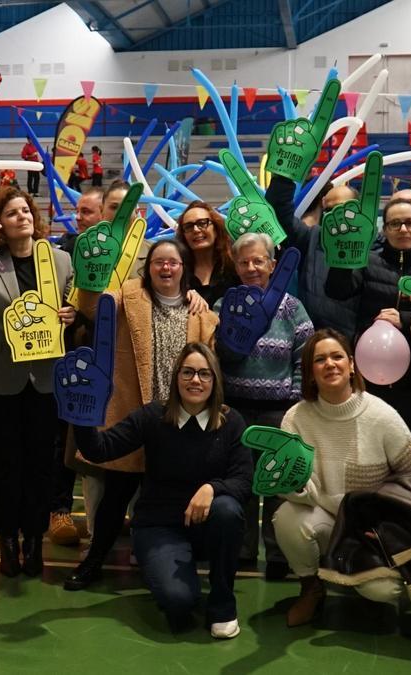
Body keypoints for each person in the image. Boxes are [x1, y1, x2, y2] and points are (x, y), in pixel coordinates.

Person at [67, 239, 218, 590]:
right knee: (115, 496)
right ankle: (93, 561)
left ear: (184, 268)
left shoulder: (203, 314)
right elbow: (91, 306)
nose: (166, 268)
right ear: (148, 267)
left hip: (180, 422)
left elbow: (211, 368)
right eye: (158, 262)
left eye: (173, 262)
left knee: (173, 498)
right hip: (136, 417)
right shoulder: (125, 297)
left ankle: (174, 566)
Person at [75, 343, 251, 638]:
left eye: (205, 374)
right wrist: (80, 413)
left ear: (215, 380)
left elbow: (244, 481)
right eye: (188, 372)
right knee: (179, 601)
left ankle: (223, 605)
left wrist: (212, 487)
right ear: (176, 378)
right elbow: (99, 449)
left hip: (207, 526)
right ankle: (172, 576)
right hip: (159, 527)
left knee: (228, 508)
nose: (196, 380)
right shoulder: (152, 417)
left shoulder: (231, 422)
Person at [273, 329, 411, 626]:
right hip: (326, 519)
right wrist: (297, 487)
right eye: (319, 360)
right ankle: (311, 589)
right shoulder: (295, 419)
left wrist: (391, 522)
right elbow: (289, 488)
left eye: (337, 357)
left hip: (372, 528)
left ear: (352, 365)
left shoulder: (382, 416)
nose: (330, 364)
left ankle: (360, 581)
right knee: (287, 518)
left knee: (385, 592)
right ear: (309, 373)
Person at [0, 186, 76, 578]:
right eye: (11, 213)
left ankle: (35, 539)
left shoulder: (59, 260)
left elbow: (75, 302)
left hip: (45, 377)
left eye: (25, 211)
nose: (22, 217)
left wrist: (71, 312)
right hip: (0, 379)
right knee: (8, 464)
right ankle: (7, 540)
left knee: (42, 463)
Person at [214, 232, 313, 573]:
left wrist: (296, 401)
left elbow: (305, 357)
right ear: (236, 266)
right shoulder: (225, 304)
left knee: (276, 484)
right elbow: (215, 357)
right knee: (239, 483)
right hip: (234, 409)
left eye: (258, 260)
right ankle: (240, 552)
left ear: (272, 264)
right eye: (244, 262)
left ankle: (277, 555)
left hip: (278, 410)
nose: (251, 267)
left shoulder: (292, 308)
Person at [325, 197, 411, 465]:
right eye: (394, 224)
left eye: (409, 222)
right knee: (369, 452)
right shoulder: (367, 263)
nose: (403, 229)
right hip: (371, 377)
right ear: (384, 229)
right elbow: (337, 290)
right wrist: (340, 256)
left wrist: (406, 320)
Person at [49, 185, 105, 546]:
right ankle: (59, 510)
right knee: (62, 439)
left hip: (109, 361)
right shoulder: (65, 252)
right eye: (78, 211)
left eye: (87, 211)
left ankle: (106, 514)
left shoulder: (124, 256)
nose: (79, 218)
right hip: (67, 360)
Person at [267, 174, 359, 336]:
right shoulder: (313, 238)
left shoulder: (373, 246)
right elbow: (279, 212)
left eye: (343, 209)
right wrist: (284, 173)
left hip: (351, 346)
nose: (336, 217)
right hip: (310, 340)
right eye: (329, 211)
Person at [175, 200, 237, 305]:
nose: (196, 230)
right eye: (189, 226)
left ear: (216, 229)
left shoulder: (235, 265)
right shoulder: (177, 272)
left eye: (202, 223)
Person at [55, 186, 103, 256]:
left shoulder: (119, 250)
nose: (77, 217)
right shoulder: (66, 249)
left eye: (85, 212)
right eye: (77, 211)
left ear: (104, 213)